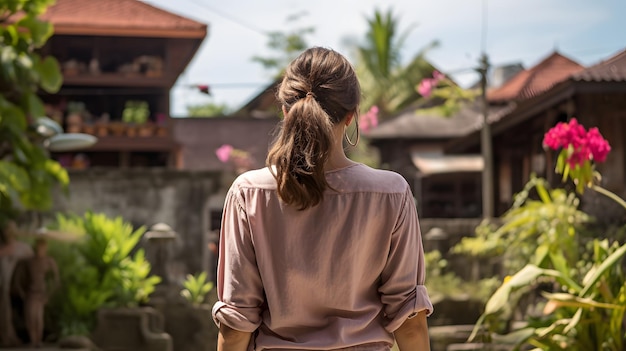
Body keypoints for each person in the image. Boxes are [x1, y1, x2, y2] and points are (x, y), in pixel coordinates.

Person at [212, 47, 433, 351]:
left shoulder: (248, 193)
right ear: (351, 115)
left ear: (286, 111)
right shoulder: (391, 193)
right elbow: (409, 322)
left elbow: (236, 325)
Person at [15, 238, 59, 347]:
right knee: (30, 319)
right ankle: (33, 341)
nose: (40, 250)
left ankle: (38, 342)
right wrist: (22, 292)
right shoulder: (29, 261)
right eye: (39, 247)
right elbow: (18, 278)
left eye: (43, 248)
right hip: (30, 293)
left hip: (41, 294)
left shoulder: (48, 261)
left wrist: (49, 294)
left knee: (38, 319)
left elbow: (56, 279)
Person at [0, 220, 34, 347]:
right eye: (6, 229)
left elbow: (31, 261)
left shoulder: (22, 248)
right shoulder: (2, 248)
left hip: (13, 287)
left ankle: (12, 338)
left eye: (10, 229)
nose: (7, 232)